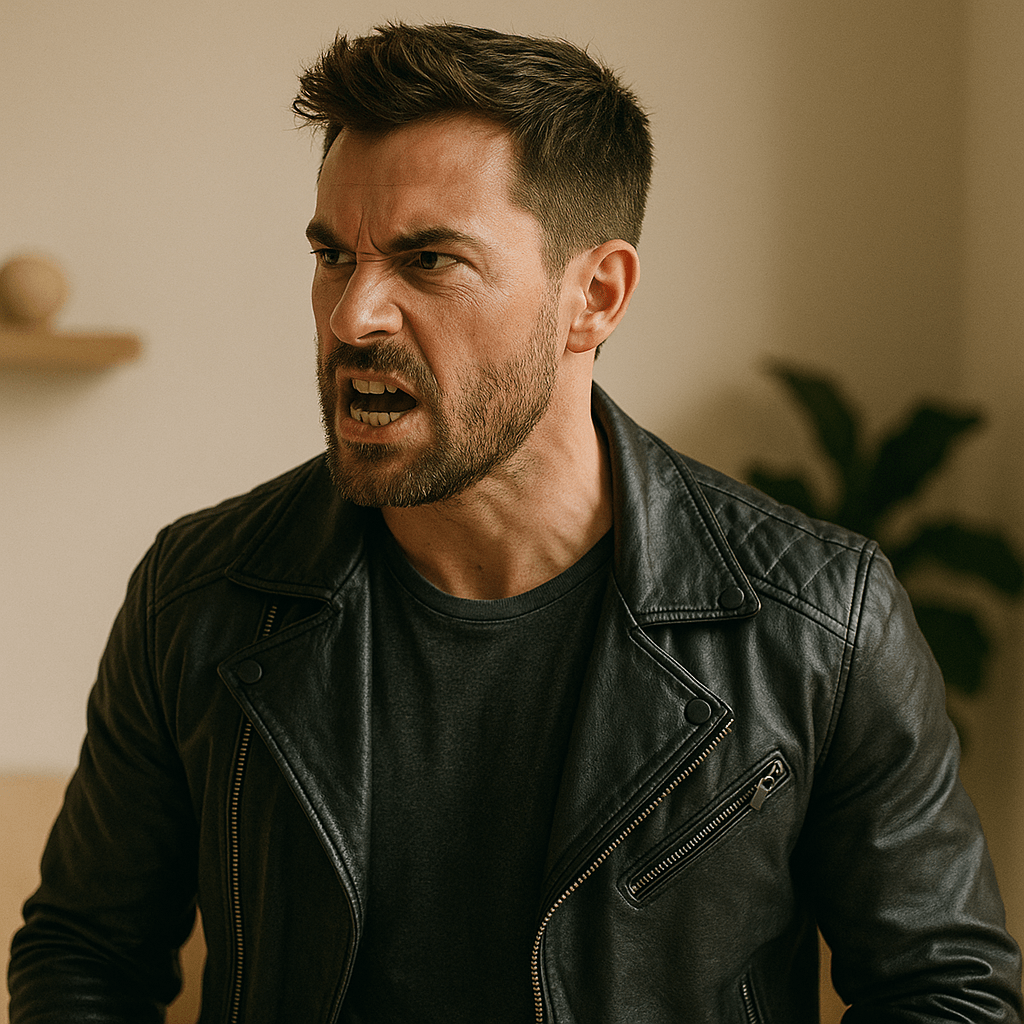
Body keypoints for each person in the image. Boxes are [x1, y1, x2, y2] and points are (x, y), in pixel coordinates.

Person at [8, 22, 1022, 1024]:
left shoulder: (819, 621)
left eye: (428, 260)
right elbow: (85, 954)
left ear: (595, 295)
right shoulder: (199, 595)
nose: (351, 315)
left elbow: (948, 993)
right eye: (332, 254)